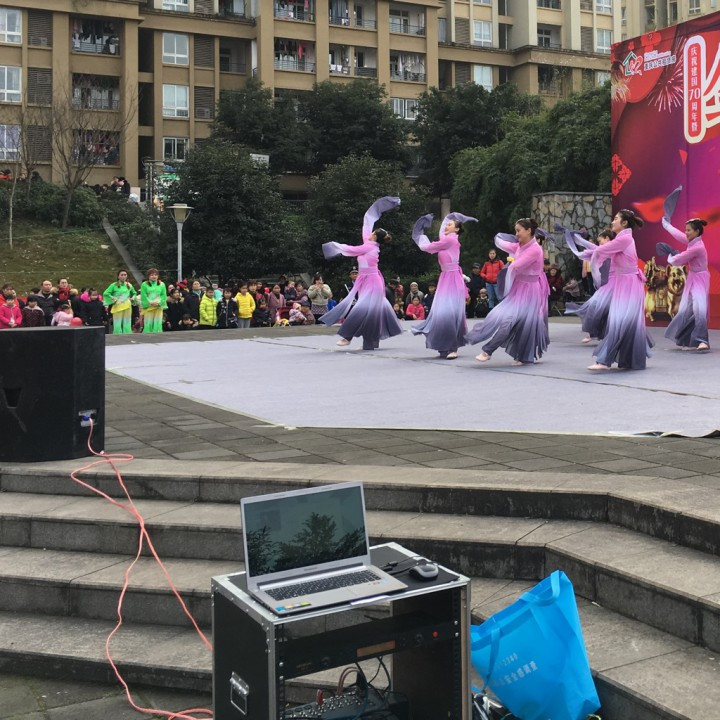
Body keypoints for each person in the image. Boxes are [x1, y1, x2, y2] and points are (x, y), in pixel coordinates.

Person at [319, 196, 403, 350]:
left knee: (361, 309)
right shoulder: (370, 243)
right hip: (367, 280)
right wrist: (386, 204)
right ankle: (370, 343)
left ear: (374, 236)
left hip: (372, 281)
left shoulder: (369, 246)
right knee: (373, 312)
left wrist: (334, 246)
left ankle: (347, 336)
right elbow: (368, 220)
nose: (370, 232)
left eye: (373, 232)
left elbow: (352, 249)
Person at [465, 218, 549, 366]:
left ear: (528, 230)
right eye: (515, 231)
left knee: (514, 322)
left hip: (529, 291)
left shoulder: (535, 249)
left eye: (518, 231)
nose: (516, 234)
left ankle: (489, 351)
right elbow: (502, 244)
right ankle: (521, 356)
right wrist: (499, 237)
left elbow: (517, 265)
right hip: (518, 289)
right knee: (503, 318)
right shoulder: (519, 246)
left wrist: (512, 261)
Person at [585, 209, 653, 370]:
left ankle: (604, 361)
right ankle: (629, 360)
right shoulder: (622, 239)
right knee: (623, 322)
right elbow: (603, 250)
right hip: (625, 283)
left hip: (629, 284)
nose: (612, 221)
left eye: (616, 219)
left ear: (624, 223)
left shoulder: (624, 239)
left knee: (619, 322)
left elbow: (602, 250)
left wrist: (590, 252)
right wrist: (588, 249)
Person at [411, 212, 477, 359]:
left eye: (450, 225)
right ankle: (444, 346)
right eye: (446, 225)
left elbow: (428, 247)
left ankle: (452, 347)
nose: (446, 226)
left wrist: (419, 234)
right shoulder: (447, 239)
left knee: (449, 313)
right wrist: (448, 218)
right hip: (446, 278)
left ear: (457, 229)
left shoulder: (451, 240)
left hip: (452, 279)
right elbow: (441, 233)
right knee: (442, 312)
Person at [657, 186, 710, 351]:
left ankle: (702, 340)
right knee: (686, 309)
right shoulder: (693, 241)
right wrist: (667, 225)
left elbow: (679, 260)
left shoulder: (697, 247)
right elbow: (678, 235)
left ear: (697, 231)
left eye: (688, 230)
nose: (685, 233)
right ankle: (689, 340)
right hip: (694, 277)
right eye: (686, 230)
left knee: (699, 308)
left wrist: (671, 255)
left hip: (700, 279)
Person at [562, 226, 614, 344]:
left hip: (616, 284)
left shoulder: (613, 247)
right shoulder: (603, 249)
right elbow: (591, 248)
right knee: (594, 307)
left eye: (600, 241)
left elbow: (592, 247)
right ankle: (593, 333)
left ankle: (608, 335)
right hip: (606, 285)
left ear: (607, 238)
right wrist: (575, 237)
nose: (599, 244)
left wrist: (576, 238)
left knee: (606, 310)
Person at [103, 270, 137, 334]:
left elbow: (134, 293)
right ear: (118, 276)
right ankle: (117, 336)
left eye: (125, 275)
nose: (123, 276)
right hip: (118, 306)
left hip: (127, 306)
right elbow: (106, 293)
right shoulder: (114, 285)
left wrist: (132, 298)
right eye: (122, 275)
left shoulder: (129, 285)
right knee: (117, 323)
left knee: (127, 322)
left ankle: (127, 335)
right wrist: (113, 299)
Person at [140, 268, 167, 333]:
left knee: (158, 323)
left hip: (158, 307)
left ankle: (157, 336)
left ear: (158, 276)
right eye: (152, 275)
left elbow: (164, 295)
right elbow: (143, 296)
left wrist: (159, 303)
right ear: (148, 276)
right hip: (149, 307)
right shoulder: (144, 284)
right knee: (148, 323)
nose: (154, 276)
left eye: (155, 275)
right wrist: (150, 303)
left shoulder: (162, 284)